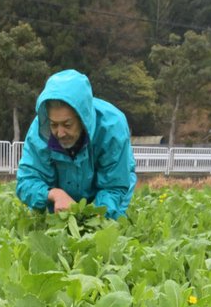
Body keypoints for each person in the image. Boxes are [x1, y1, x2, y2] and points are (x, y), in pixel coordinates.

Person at [16, 69, 137, 220]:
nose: (60, 133)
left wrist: (92, 218)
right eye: (54, 124)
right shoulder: (40, 131)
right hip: (60, 197)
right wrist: (55, 194)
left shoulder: (112, 128)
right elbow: (26, 181)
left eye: (67, 124)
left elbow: (115, 186)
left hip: (108, 190)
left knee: (104, 226)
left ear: (83, 118)